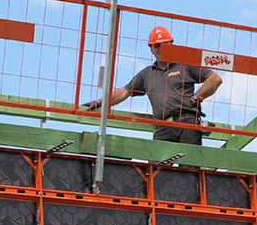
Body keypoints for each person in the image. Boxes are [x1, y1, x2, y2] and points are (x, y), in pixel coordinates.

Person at [82, 26, 223, 145]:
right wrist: (100, 102)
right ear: (151, 48)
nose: (160, 49)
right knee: (155, 169)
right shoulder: (147, 74)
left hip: (187, 123)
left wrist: (196, 97)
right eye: (156, 46)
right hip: (163, 126)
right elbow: (124, 92)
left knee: (189, 169)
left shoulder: (184, 65)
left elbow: (215, 79)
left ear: (171, 44)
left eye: (164, 45)